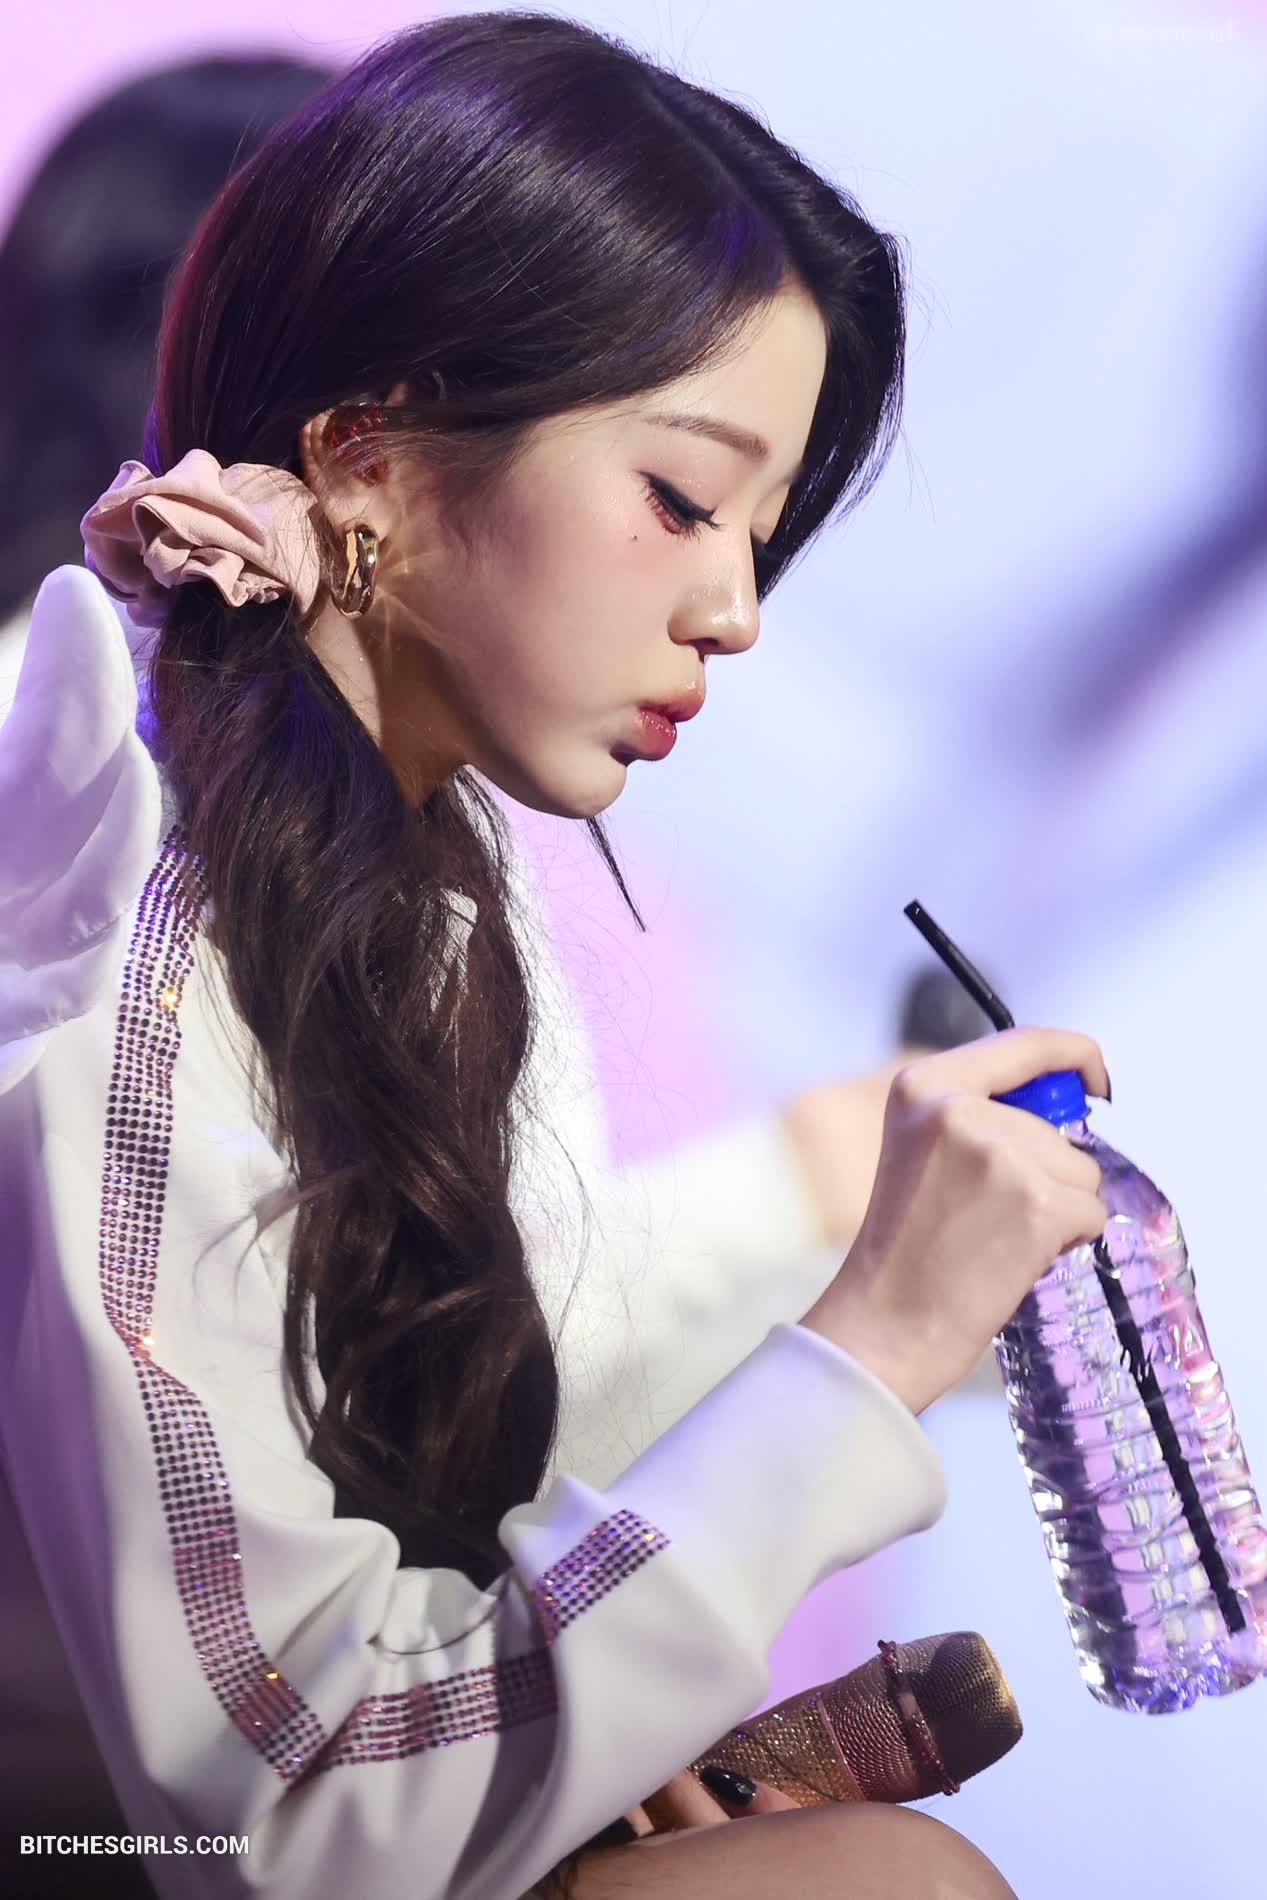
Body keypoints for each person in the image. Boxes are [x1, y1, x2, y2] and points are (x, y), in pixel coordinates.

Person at [0, 13, 1111, 1899]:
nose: (736, 610)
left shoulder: (448, 891)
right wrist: (861, 1341)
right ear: (363, 452)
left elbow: (467, 1492)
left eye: (763, 531)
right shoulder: (115, 917)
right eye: (682, 500)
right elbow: (291, 1820)